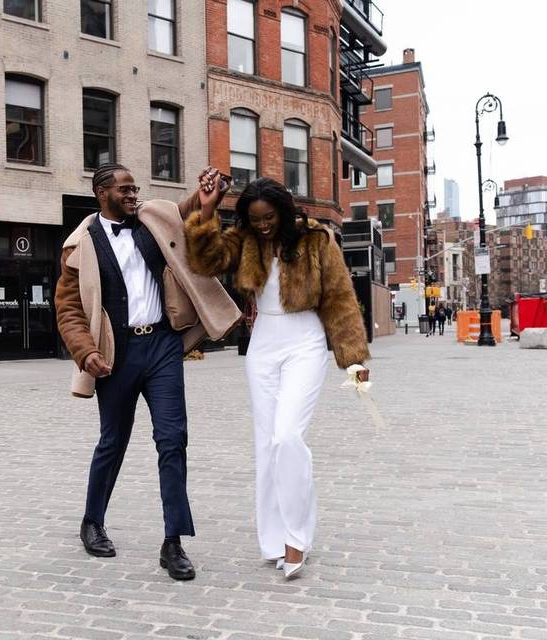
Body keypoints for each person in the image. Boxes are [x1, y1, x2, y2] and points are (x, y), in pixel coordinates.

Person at [55, 164, 240, 581]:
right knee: (112, 442)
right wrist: (86, 353)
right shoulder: (79, 246)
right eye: (124, 189)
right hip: (115, 353)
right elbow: (67, 309)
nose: (132, 194)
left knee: (173, 439)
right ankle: (92, 521)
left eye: (135, 187)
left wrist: (210, 195)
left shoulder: (152, 220)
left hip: (161, 347)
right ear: (102, 193)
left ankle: (173, 542)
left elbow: (186, 211)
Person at [183, 176, 370, 580]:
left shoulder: (316, 240)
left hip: (305, 340)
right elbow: (205, 261)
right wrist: (209, 209)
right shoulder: (245, 239)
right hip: (263, 345)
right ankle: (272, 538)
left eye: (269, 218)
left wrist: (353, 360)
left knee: (288, 436)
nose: (263, 225)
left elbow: (339, 298)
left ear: (283, 211)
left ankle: (296, 538)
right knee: (267, 445)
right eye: (255, 219)